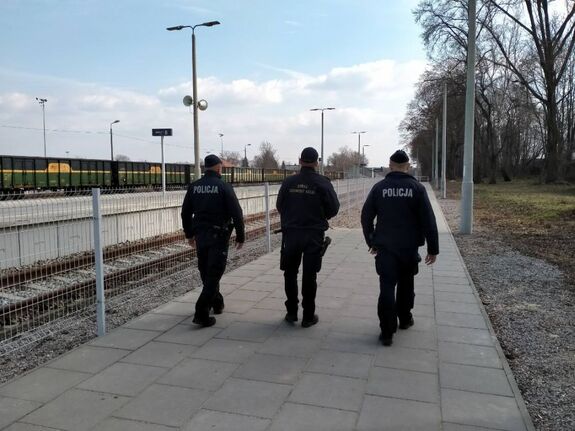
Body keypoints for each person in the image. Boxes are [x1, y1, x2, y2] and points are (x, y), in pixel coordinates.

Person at [361, 150, 439, 346]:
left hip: (386, 248)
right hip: (409, 247)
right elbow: (429, 221)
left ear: (390, 166)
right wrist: (433, 249)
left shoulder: (379, 188)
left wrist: (371, 241)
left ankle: (387, 332)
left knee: (387, 286)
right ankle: (404, 319)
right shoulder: (417, 188)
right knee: (406, 284)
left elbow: (366, 217)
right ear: (408, 167)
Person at [276, 147, 340, 328]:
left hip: (291, 234)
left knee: (290, 273)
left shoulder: (289, 182)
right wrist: (319, 216)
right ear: (317, 162)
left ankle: (291, 312)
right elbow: (334, 208)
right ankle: (308, 316)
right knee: (310, 275)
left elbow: (280, 206)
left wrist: (292, 218)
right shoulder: (323, 183)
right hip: (313, 234)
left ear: (299, 161)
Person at [181, 154, 245, 327]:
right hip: (219, 236)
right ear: (218, 168)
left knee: (205, 270)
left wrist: (189, 235)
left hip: (201, 235)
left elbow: (185, 213)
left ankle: (217, 303)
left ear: (205, 168)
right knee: (214, 272)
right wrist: (240, 236)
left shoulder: (194, 187)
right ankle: (201, 312)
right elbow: (237, 213)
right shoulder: (224, 186)